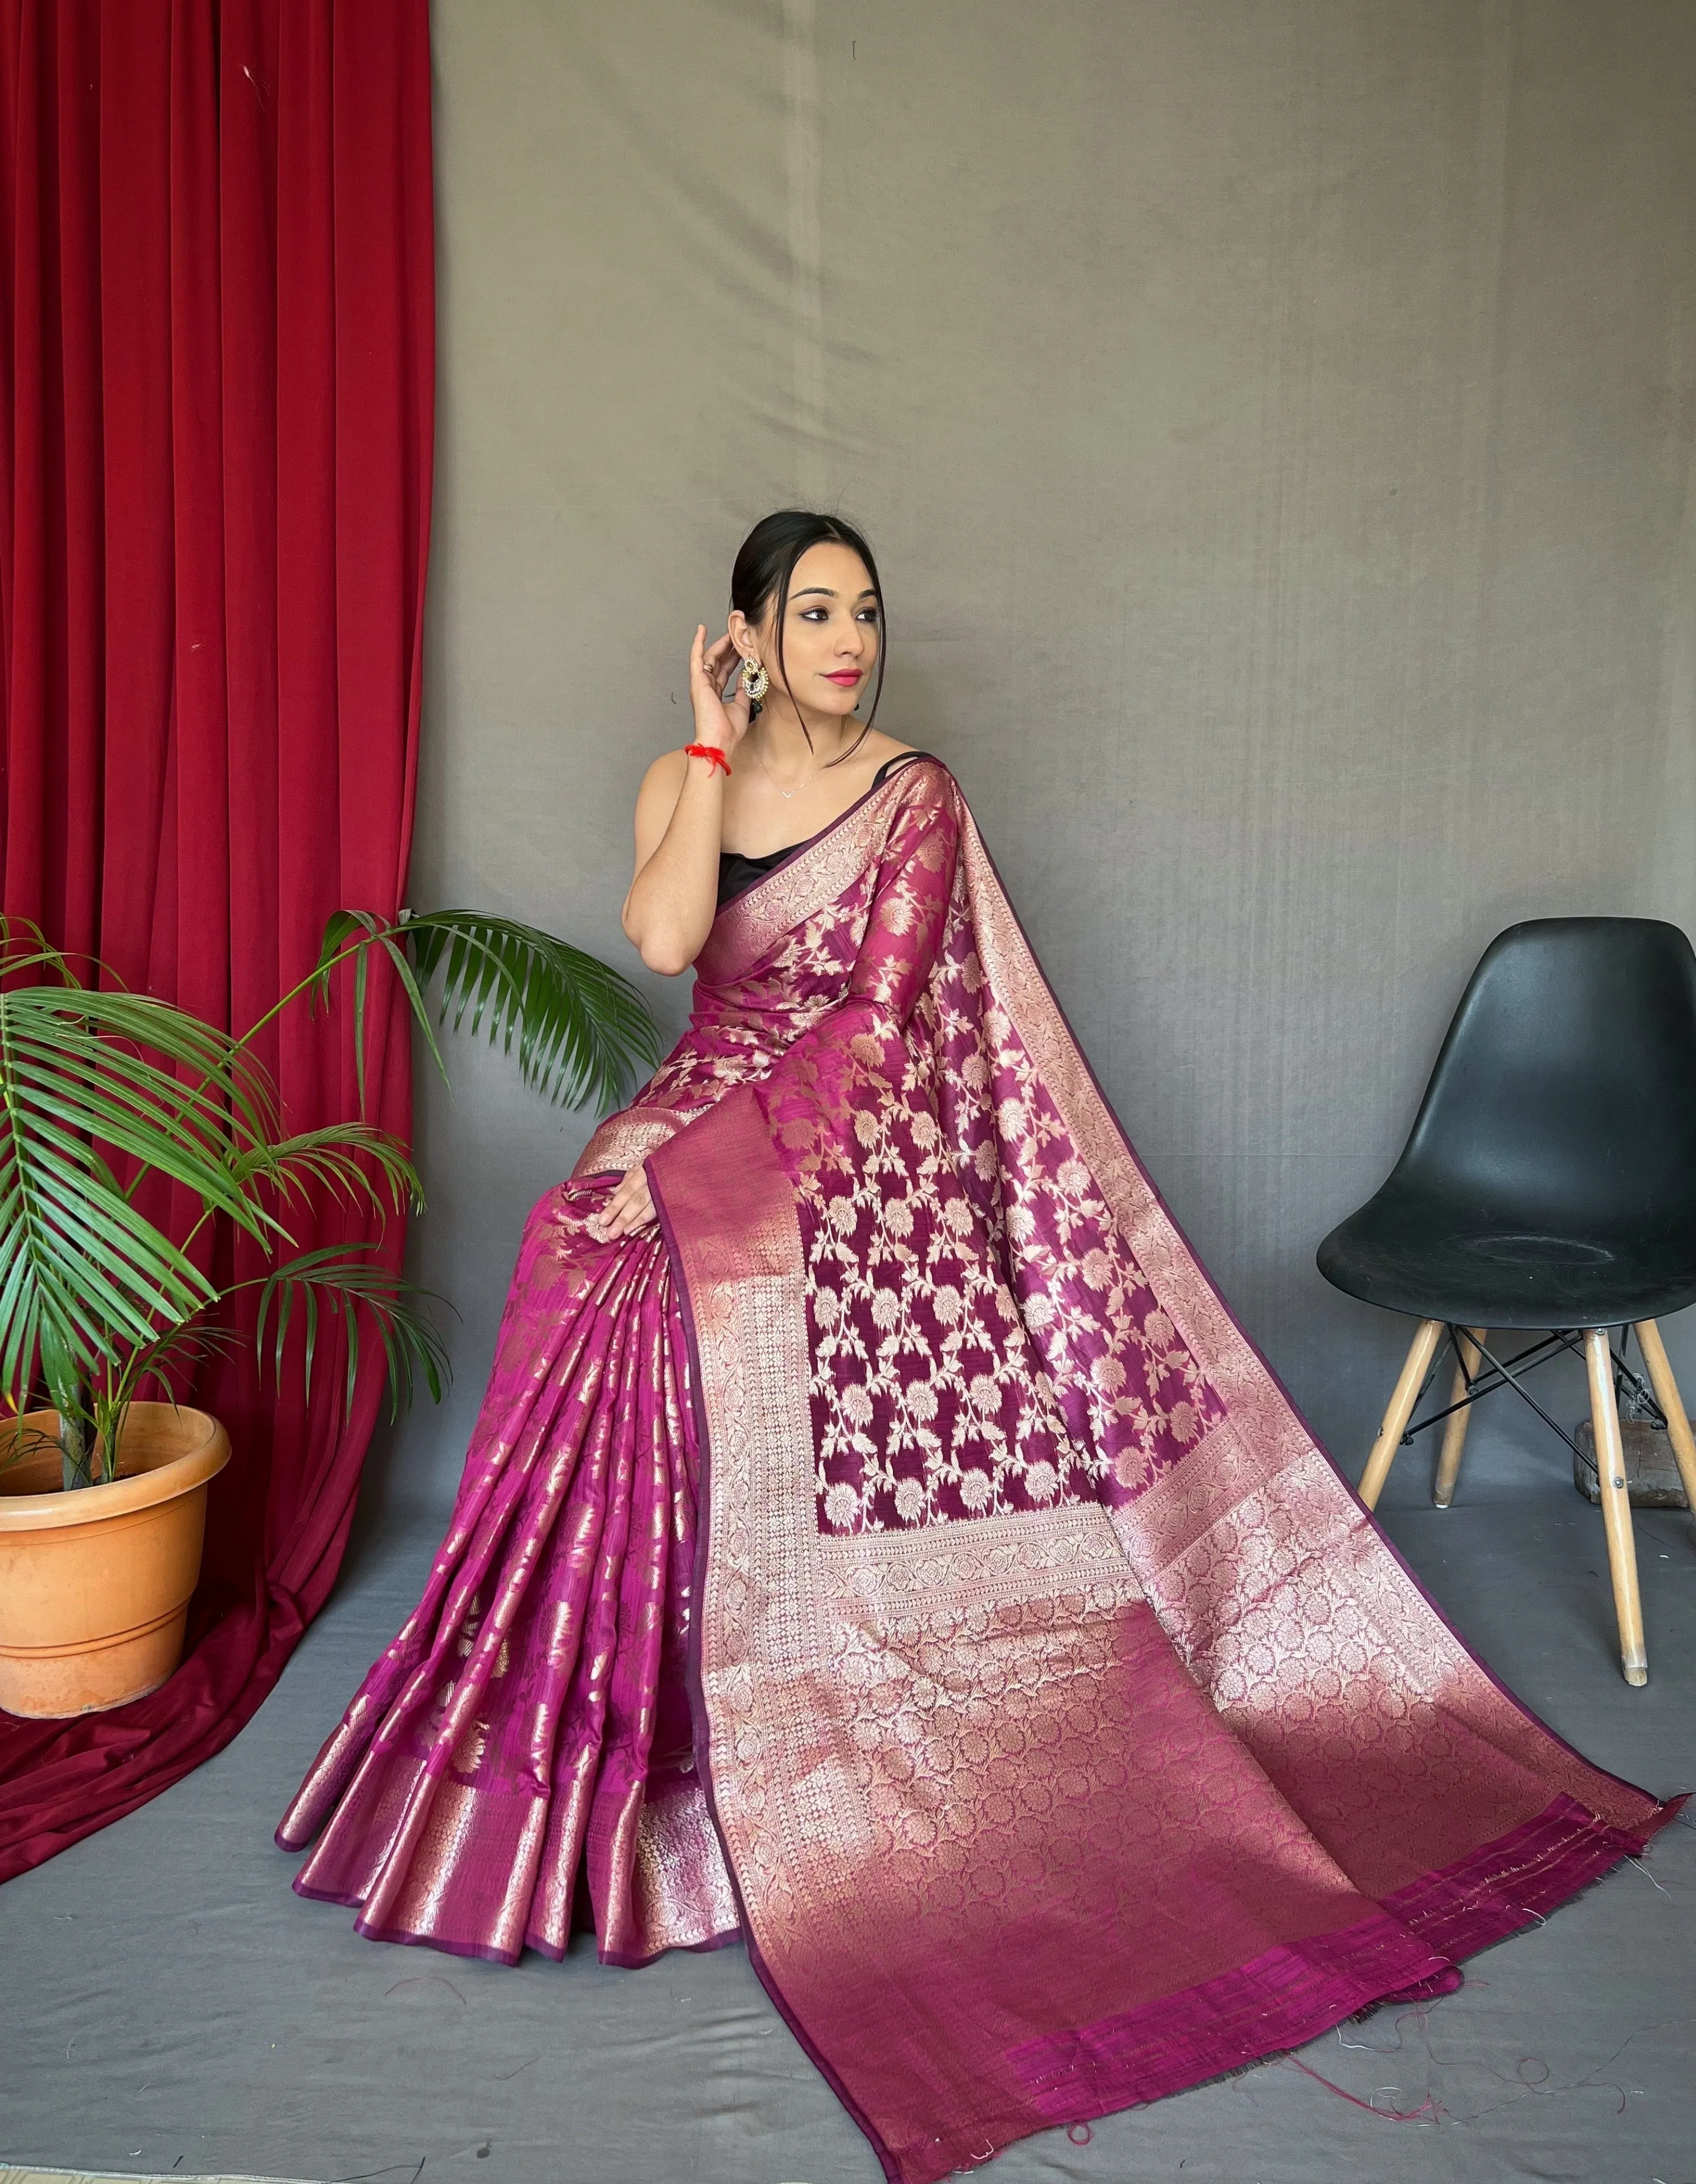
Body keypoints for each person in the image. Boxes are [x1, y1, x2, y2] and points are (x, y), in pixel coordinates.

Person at [280, 511, 1677, 2184]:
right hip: (704, 1106)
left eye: (865, 610)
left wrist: (711, 1187)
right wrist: (707, 749)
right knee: (581, 1259)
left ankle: (816, 1736)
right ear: (746, 630)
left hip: (856, 1148)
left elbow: (876, 1035)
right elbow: (666, 948)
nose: (852, 638)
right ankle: (614, 1760)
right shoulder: (691, 775)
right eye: (814, 612)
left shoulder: (915, 797)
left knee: (682, 1275)